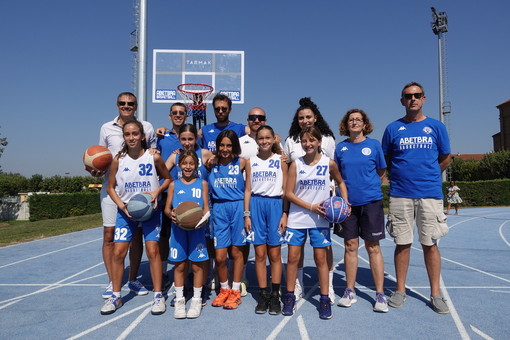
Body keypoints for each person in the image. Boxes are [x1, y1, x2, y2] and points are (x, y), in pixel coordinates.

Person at [382, 81, 451, 314]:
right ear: (402, 100)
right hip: (400, 194)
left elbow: (445, 157)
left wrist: (429, 174)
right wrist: (401, 176)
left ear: (424, 99)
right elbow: (386, 161)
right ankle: (400, 289)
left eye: (417, 95)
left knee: (430, 243)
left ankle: (435, 293)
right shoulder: (393, 129)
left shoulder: (436, 127)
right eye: (408, 96)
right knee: (402, 243)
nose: (413, 99)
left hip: (430, 194)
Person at [101, 120, 170, 315]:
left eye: (135, 134)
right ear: (123, 137)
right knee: (118, 252)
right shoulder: (118, 159)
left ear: (142, 136)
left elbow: (167, 179)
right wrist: (121, 205)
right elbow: (110, 187)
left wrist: (156, 192)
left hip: (150, 211)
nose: (131, 137)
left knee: (153, 250)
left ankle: (158, 296)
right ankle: (116, 295)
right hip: (126, 212)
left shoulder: (153, 157)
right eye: (127, 134)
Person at [92, 92, 156, 299]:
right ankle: (113, 281)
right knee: (109, 236)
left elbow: (153, 154)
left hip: (136, 190)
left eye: (130, 103)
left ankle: (133, 278)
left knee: (135, 236)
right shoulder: (106, 128)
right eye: (122, 103)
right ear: (117, 105)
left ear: (136, 106)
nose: (126, 106)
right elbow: (101, 156)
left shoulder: (146, 127)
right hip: (112, 190)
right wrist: (95, 169)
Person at [282, 126, 349, 320]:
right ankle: (289, 296)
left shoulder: (329, 163)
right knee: (293, 259)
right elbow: (288, 193)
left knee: (321, 260)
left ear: (319, 142)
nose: (308, 144)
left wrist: (345, 202)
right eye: (304, 141)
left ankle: (325, 298)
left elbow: (341, 183)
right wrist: (310, 206)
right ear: (300, 143)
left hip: (320, 220)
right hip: (297, 218)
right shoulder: (296, 164)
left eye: (312, 140)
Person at [334, 109, 388, 313]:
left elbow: (381, 171)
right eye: (351, 120)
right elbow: (337, 176)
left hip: (371, 202)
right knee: (350, 246)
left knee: (373, 247)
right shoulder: (341, 148)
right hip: (347, 204)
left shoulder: (374, 145)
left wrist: (368, 187)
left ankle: (380, 294)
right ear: (346, 125)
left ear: (365, 124)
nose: (355, 122)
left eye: (358, 119)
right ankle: (350, 290)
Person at [283, 97, 336, 303]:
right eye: (301, 118)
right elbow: (287, 167)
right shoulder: (290, 141)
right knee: (296, 252)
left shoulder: (328, 138)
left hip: (322, 206)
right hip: (299, 205)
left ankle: (328, 286)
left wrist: (334, 201)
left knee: (324, 251)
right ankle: (297, 285)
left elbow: (331, 168)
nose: (305, 121)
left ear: (315, 117)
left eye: (308, 117)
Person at [166, 123, 214, 305]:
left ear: (197, 139)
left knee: (201, 253)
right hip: (181, 209)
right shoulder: (176, 156)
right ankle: (185, 288)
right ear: (179, 139)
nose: (187, 142)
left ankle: (202, 287)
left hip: (201, 211)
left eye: (191, 139)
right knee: (182, 255)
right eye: (184, 139)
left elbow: (226, 159)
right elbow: (161, 170)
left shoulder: (206, 154)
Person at [244, 125, 288, 315]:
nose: (264, 141)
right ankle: (263, 295)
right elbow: (247, 189)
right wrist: (247, 214)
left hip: (275, 206)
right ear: (256, 140)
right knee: (260, 254)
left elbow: (286, 190)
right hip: (256, 205)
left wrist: (285, 213)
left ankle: (275, 294)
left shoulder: (281, 160)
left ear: (273, 139)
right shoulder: (250, 161)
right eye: (260, 138)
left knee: (275, 254)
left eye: (267, 138)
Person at [208, 130, 247, 310]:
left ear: (234, 147)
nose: (225, 149)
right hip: (219, 209)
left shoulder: (242, 162)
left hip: (237, 207)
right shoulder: (211, 163)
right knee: (220, 257)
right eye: (222, 145)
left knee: (237, 253)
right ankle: (224, 289)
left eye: (228, 145)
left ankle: (235, 291)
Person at [157, 102, 188, 287]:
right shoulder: (161, 137)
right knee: (164, 235)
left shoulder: (191, 137)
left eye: (181, 113)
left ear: (186, 115)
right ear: (170, 116)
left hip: (186, 193)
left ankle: (190, 271)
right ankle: (162, 271)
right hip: (166, 193)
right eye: (174, 113)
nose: (178, 115)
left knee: (187, 231)